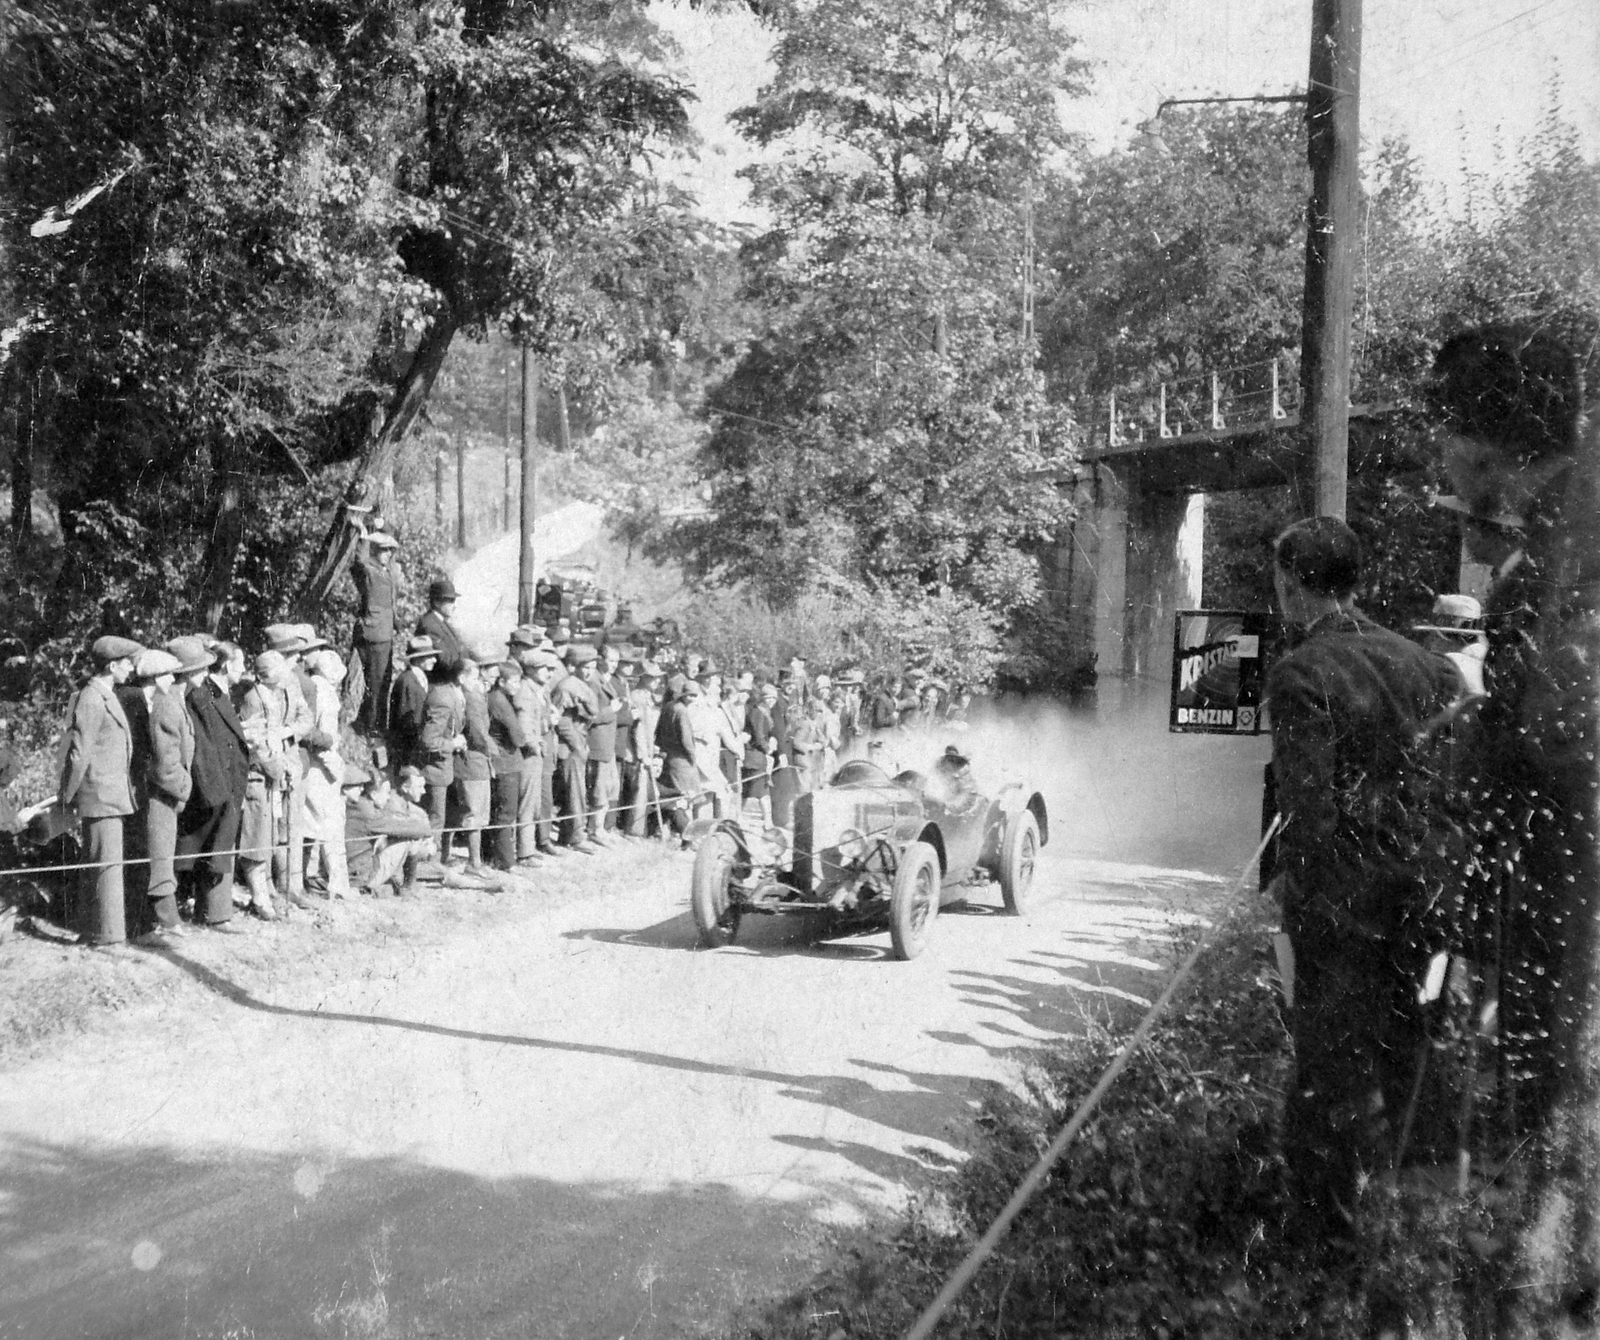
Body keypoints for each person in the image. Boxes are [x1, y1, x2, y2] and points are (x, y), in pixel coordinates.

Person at [1263, 515, 1459, 1244]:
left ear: (1289, 586)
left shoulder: (1301, 674)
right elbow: (1444, 793)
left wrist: (1297, 917)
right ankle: (1423, 1243)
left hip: (1345, 914)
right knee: (1414, 1064)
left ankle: (1324, 1249)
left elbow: (1307, 822)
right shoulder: (1428, 666)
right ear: (1358, 581)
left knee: (1325, 1084)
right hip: (1422, 902)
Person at [58, 634, 142, 946]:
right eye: (126, 663)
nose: (130, 669)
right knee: (106, 866)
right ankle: (109, 937)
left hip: (109, 793)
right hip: (100, 794)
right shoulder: (92, 698)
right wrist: (67, 797)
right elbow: (79, 753)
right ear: (111, 665)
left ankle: (94, 930)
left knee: (100, 862)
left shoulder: (105, 693)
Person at [174, 637, 247, 932]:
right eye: (241, 663)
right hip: (214, 786)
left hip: (225, 785)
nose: (244, 669)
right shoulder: (202, 696)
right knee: (201, 848)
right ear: (228, 664)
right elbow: (205, 746)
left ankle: (213, 911)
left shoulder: (219, 694)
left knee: (217, 848)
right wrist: (214, 789)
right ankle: (208, 911)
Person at [126, 648, 194, 942]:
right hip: (159, 794)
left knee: (160, 852)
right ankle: (164, 919)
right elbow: (165, 762)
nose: (173, 679)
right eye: (168, 674)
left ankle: (162, 918)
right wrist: (184, 788)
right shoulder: (164, 706)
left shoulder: (165, 702)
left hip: (165, 791)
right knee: (158, 854)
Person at [237, 650, 295, 920]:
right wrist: (276, 768)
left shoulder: (275, 695)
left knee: (268, 837)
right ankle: (259, 898)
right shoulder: (253, 698)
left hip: (273, 778)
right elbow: (254, 743)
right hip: (258, 778)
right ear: (269, 673)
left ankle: (264, 891)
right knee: (256, 838)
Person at [302, 648, 351, 898]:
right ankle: (337, 884)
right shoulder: (326, 694)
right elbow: (323, 740)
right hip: (322, 768)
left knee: (311, 824)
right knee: (330, 826)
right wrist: (336, 770)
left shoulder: (312, 686)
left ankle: (310, 877)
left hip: (312, 766)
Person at [349, 513, 401, 731]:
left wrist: (396, 624)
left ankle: (372, 723)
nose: (386, 554)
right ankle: (371, 727)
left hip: (385, 633)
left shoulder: (387, 572)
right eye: (382, 549)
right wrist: (363, 536)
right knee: (376, 683)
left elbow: (390, 601)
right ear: (374, 550)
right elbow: (358, 562)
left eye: (389, 550)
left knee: (383, 681)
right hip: (373, 634)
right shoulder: (368, 571)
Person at [549, 645, 599, 852]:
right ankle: (576, 836)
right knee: (574, 792)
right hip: (568, 747)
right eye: (584, 667)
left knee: (575, 791)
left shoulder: (582, 685)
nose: (589, 671)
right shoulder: (566, 686)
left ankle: (569, 834)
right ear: (574, 667)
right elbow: (560, 720)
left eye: (592, 667)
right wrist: (577, 745)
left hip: (579, 741)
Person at [485, 658, 526, 871]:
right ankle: (506, 861)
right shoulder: (501, 702)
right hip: (507, 763)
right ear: (501, 682)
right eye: (515, 681)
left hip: (500, 762)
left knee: (497, 811)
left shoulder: (494, 698)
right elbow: (518, 738)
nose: (518, 686)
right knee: (506, 813)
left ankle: (492, 856)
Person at [582, 647, 622, 843]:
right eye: (611, 661)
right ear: (601, 660)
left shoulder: (607, 681)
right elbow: (589, 716)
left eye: (616, 662)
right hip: (598, 743)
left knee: (608, 786)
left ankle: (599, 827)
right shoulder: (594, 682)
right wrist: (610, 710)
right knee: (598, 787)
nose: (614, 665)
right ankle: (594, 829)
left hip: (608, 742)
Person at [389, 635, 437, 767]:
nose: (434, 660)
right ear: (417, 659)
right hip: (408, 753)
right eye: (429, 656)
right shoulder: (408, 681)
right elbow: (408, 721)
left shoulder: (419, 678)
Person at [744, 680, 779, 825]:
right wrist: (768, 748)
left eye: (774, 698)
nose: (771, 701)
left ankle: (740, 819)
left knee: (750, 792)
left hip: (758, 755)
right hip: (754, 755)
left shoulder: (765, 712)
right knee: (761, 791)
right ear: (763, 699)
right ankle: (767, 821)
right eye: (768, 698)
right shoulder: (758, 712)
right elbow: (758, 735)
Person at [416, 577, 466, 677]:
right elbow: (443, 659)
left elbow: (459, 650)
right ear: (437, 603)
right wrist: (466, 664)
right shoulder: (429, 624)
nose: (454, 605)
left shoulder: (441, 621)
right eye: (450, 601)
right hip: (439, 682)